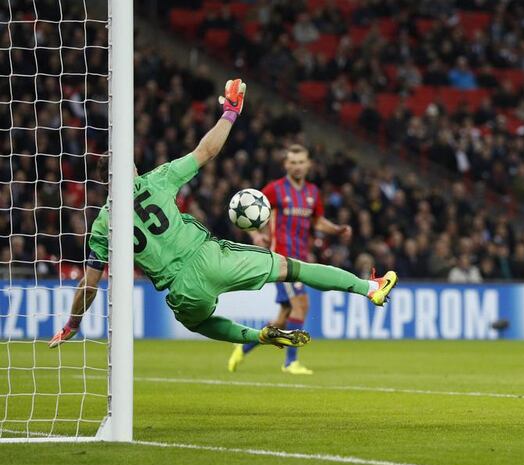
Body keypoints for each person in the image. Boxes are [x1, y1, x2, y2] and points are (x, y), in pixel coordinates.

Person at [49, 79, 398, 350]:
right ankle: (370, 287)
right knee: (296, 268)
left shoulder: (101, 226)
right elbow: (208, 149)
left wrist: (72, 324)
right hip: (209, 258)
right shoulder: (157, 180)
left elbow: (89, 285)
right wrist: (230, 111)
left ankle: (255, 337)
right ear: (133, 167)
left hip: (181, 290)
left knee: (198, 323)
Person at [227, 144, 353, 375]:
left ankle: (244, 347)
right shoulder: (275, 189)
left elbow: (317, 221)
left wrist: (336, 230)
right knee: (302, 305)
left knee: (284, 319)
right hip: (282, 260)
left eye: (301, 162)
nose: (297, 166)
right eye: (292, 162)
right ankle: (290, 362)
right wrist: (256, 234)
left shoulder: (312, 192)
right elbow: (248, 208)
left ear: (308, 164)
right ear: (285, 164)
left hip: (301, 261)